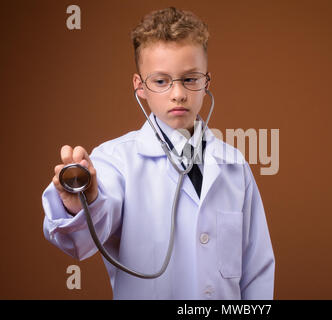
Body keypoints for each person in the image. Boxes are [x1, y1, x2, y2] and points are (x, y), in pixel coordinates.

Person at [42, 7, 275, 300]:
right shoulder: (115, 162)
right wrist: (83, 204)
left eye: (190, 79)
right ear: (140, 87)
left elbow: (257, 268)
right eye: (161, 81)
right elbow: (80, 241)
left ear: (207, 82)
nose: (178, 93)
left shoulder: (234, 165)